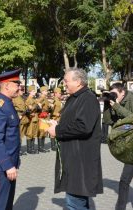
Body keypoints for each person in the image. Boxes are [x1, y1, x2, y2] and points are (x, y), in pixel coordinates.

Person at [47, 67, 103, 209]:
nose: (64, 84)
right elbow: (74, 122)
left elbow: (83, 126)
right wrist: (57, 125)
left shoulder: (87, 98)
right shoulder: (77, 97)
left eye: (66, 81)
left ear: (78, 82)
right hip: (74, 159)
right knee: (77, 202)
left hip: (81, 162)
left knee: (75, 204)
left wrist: (58, 131)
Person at [103, 82, 133, 210]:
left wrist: (118, 107)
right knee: (124, 181)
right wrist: (107, 104)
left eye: (115, 94)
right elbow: (108, 121)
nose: (114, 96)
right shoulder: (118, 102)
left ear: (123, 93)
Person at [0, 69, 21, 210]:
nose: (19, 86)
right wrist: (7, 165)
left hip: (10, 162)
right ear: (7, 85)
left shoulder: (7, 103)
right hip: (3, 165)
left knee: (7, 204)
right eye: (17, 83)